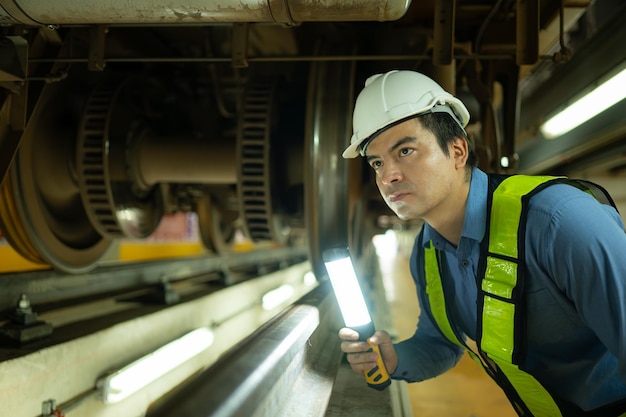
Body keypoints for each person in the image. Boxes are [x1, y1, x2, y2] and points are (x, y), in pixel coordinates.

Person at [338, 69, 626, 417]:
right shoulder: (428, 252)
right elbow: (440, 343)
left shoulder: (558, 221)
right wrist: (394, 358)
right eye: (378, 162)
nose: (388, 176)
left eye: (406, 151)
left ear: (457, 150)